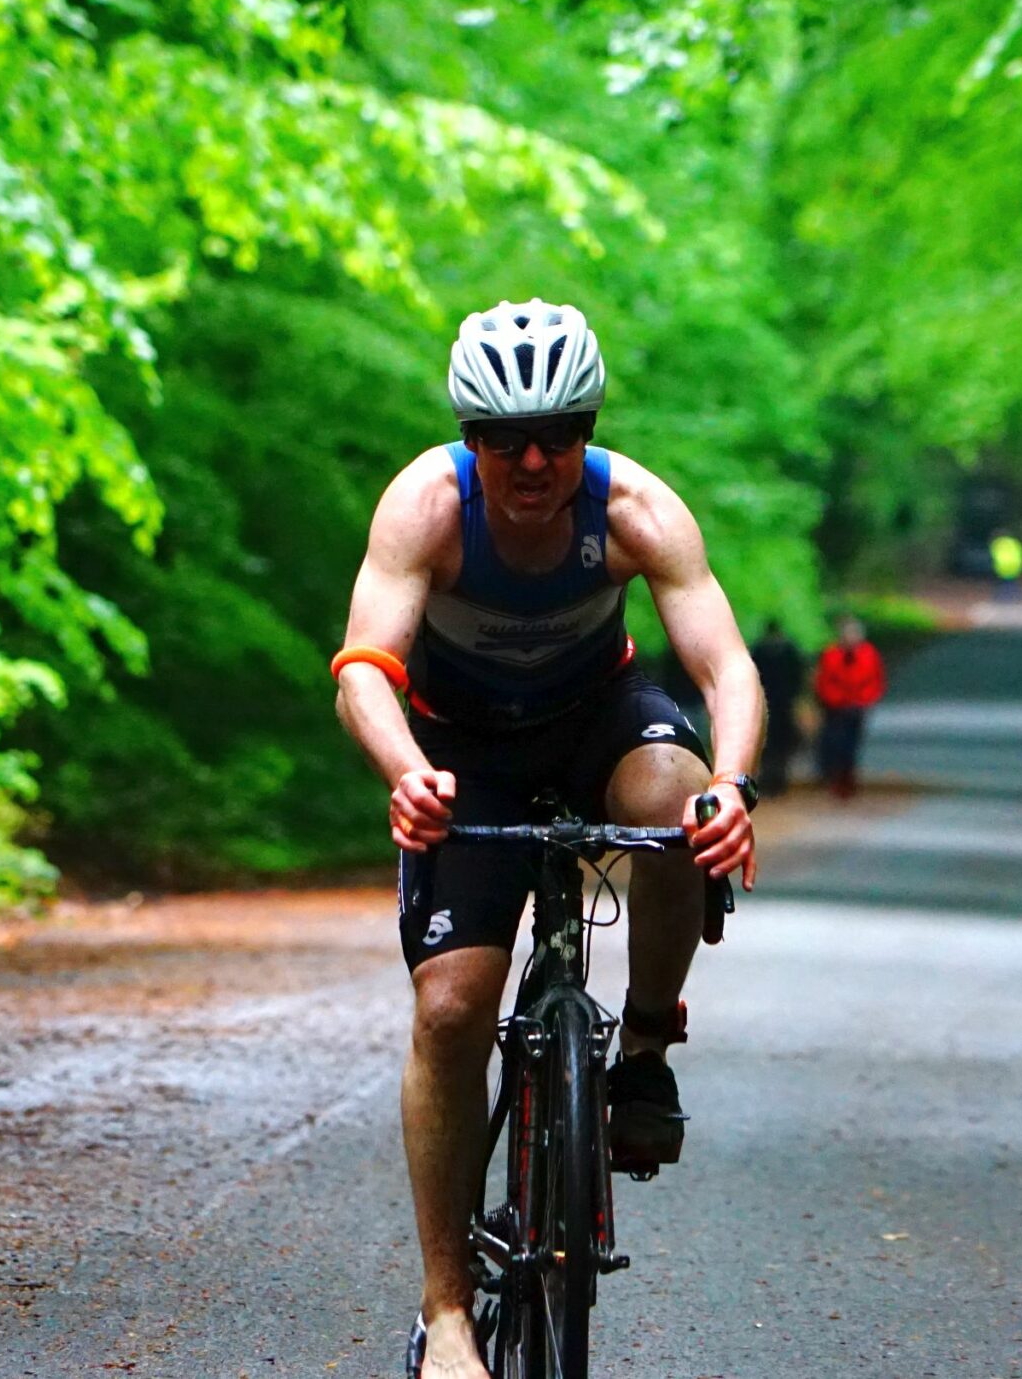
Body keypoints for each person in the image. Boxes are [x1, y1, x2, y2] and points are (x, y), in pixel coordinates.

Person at [331, 299, 762, 1379]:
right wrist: (406, 772)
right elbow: (364, 668)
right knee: (451, 1011)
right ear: (470, 438)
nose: (532, 461)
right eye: (505, 439)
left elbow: (725, 667)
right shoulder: (427, 508)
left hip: (594, 720)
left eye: (558, 436)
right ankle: (447, 1315)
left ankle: (645, 1053)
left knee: (676, 796)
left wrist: (732, 787)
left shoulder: (636, 510)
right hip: (458, 746)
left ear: (587, 429)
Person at [811, 614, 886, 798]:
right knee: (835, 742)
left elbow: (875, 679)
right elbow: (824, 680)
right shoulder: (831, 654)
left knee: (851, 744)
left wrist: (864, 699)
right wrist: (835, 699)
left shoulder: (868, 654)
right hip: (835, 707)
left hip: (857, 707)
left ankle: (846, 778)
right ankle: (833, 776)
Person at [749, 619, 805, 799]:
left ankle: (771, 781)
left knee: (770, 747)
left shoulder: (760, 650)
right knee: (777, 747)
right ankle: (776, 781)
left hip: (769, 705)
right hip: (781, 705)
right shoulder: (789, 651)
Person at [988, 529, 1022, 598]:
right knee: (1012, 581)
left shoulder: (997, 543)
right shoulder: (1014, 542)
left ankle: (1002, 596)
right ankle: (1016, 595)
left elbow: (993, 555)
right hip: (1015, 565)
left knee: (1001, 582)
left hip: (1002, 566)